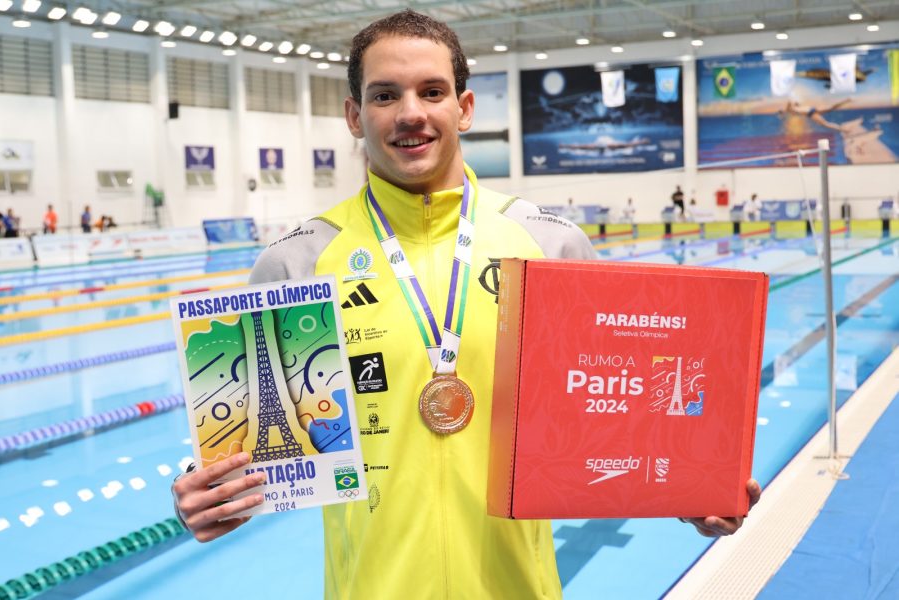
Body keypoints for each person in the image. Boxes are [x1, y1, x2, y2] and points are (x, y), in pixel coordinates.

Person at [172, 10, 761, 599]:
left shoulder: (549, 245)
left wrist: (690, 487)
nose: (410, 113)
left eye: (432, 91)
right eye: (384, 95)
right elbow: (246, 450)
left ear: (465, 107)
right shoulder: (297, 263)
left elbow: (614, 425)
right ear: (355, 116)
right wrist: (202, 494)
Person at [784, 98, 851, 132]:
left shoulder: (794, 109)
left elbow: (788, 106)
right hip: (813, 110)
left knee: (825, 124)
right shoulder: (796, 108)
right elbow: (789, 105)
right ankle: (846, 101)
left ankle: (843, 129)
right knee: (832, 107)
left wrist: (789, 104)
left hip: (811, 113)